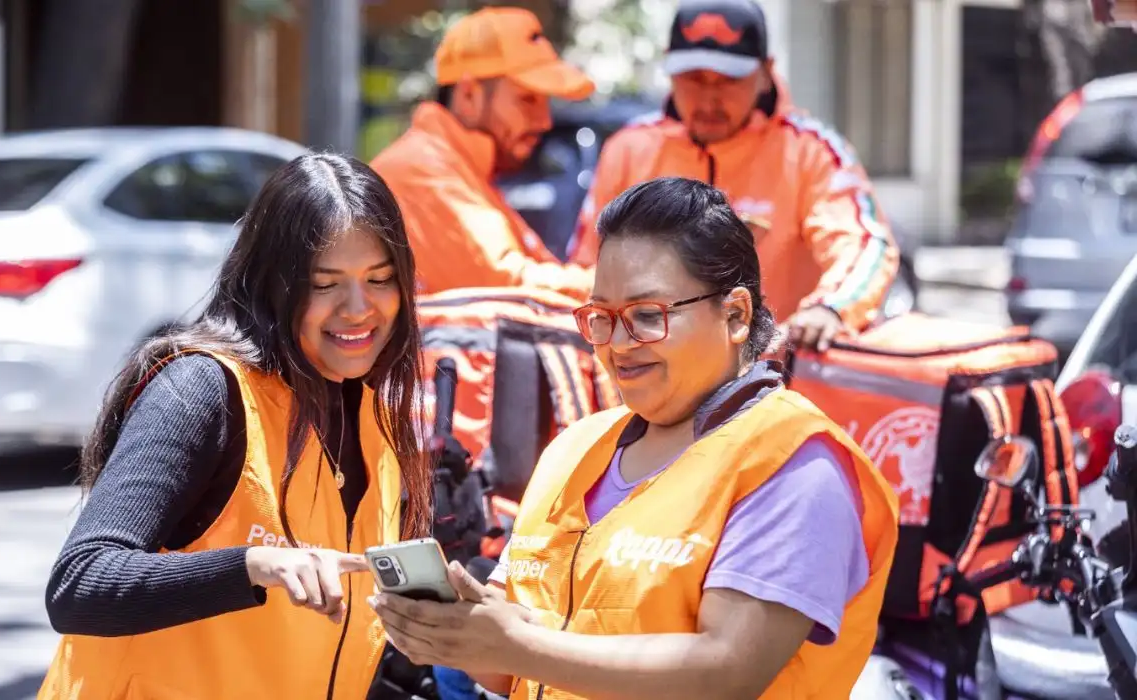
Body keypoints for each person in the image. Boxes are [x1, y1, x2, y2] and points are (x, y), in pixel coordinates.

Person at [369, 177, 901, 699]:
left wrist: (517, 646)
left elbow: (726, 671)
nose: (618, 344)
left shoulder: (794, 463)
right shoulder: (573, 450)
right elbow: (515, 671)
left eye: (647, 316)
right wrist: (457, 634)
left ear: (735, 314)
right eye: (602, 317)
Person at [37, 153, 431, 700]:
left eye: (381, 279)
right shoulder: (201, 390)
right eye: (324, 284)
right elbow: (82, 584)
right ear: (273, 285)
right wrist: (253, 566)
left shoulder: (377, 421)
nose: (359, 308)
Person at [569, 0, 900, 351]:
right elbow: (588, 269)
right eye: (694, 78)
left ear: (765, 72)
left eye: (729, 80)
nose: (710, 98)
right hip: (655, 380)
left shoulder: (811, 151)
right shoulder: (629, 149)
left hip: (777, 379)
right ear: (668, 67)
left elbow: (863, 244)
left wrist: (831, 307)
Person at [371, 6, 597, 299]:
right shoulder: (421, 169)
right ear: (469, 95)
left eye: (545, 102)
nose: (545, 121)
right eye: (527, 100)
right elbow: (510, 289)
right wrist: (618, 290)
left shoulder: (451, 166)